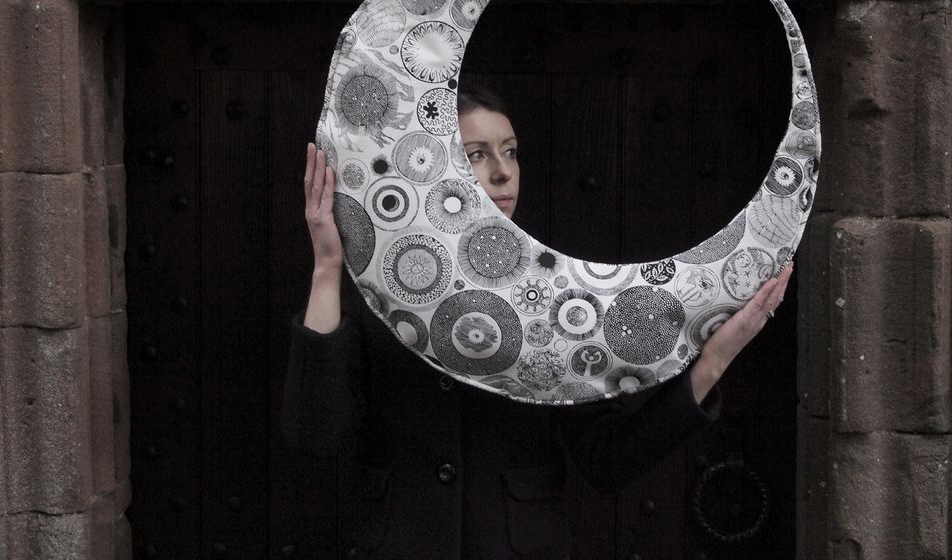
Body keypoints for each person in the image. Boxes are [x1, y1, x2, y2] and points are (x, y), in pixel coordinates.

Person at [282, 87, 793, 560]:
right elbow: (313, 436)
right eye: (476, 154)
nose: (503, 171)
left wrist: (714, 360)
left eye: (510, 150)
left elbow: (608, 460)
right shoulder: (373, 282)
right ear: (431, 166)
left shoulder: (556, 294)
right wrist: (327, 267)